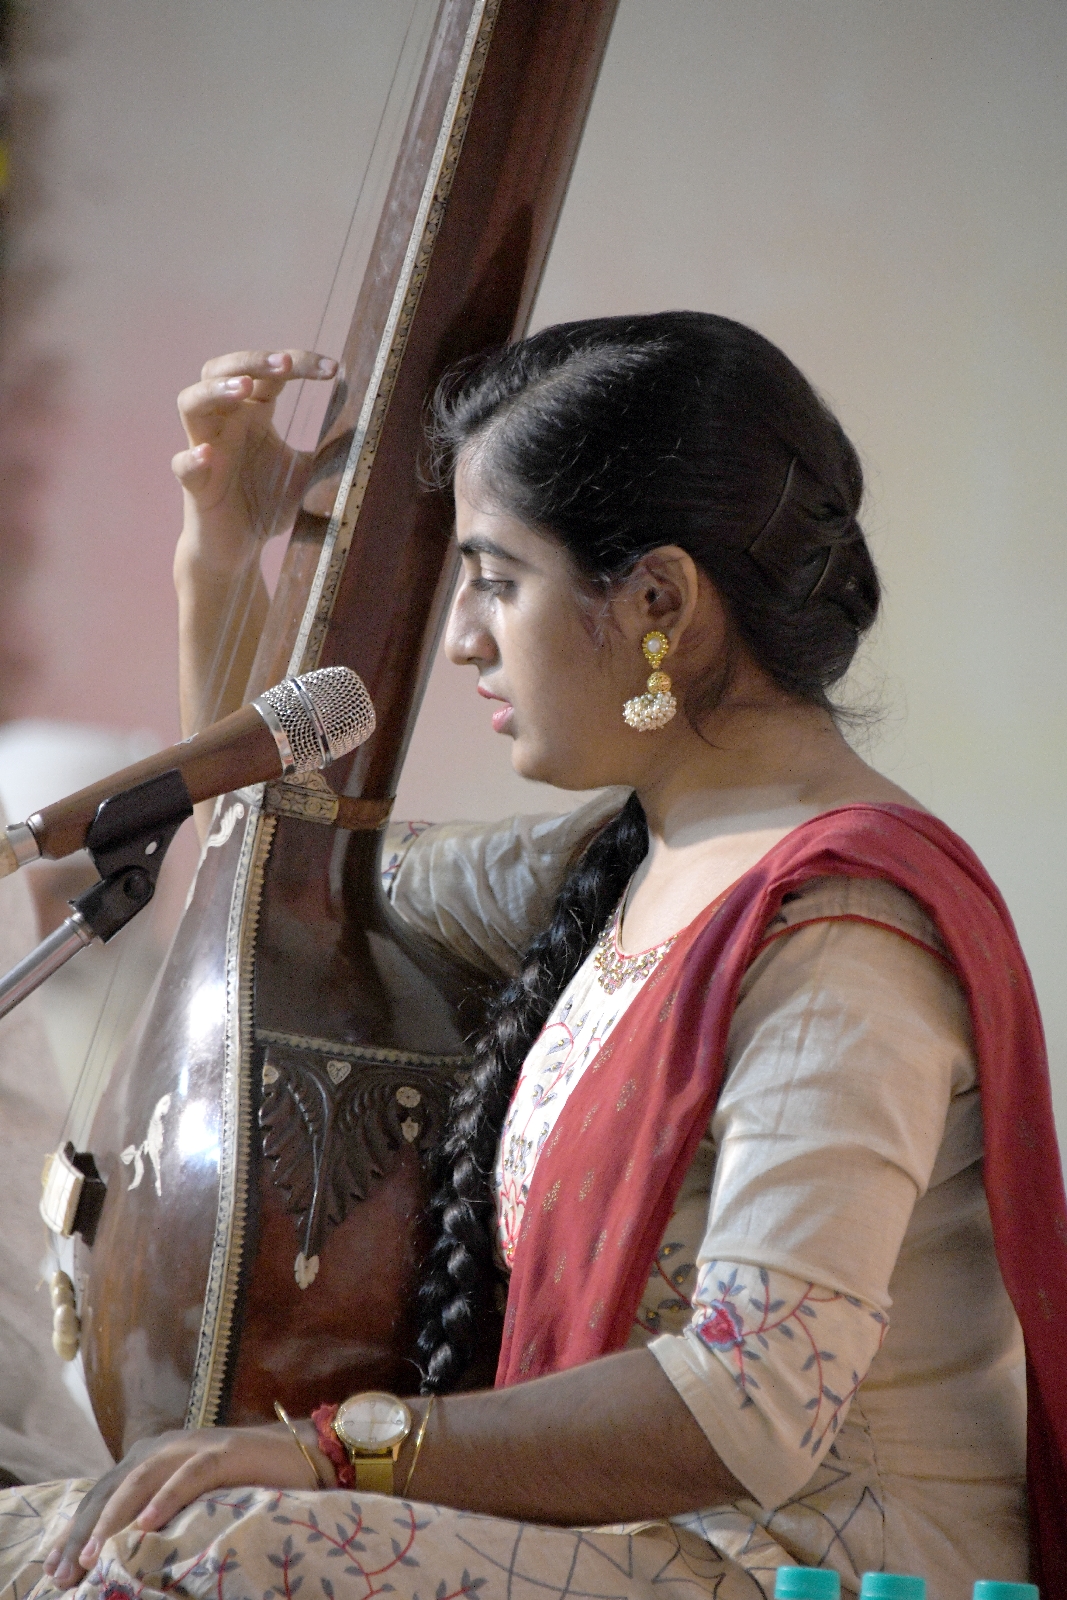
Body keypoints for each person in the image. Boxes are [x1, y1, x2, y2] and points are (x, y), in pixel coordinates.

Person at [1, 313, 1061, 1600]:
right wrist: (226, 559)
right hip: (646, 1546)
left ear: (659, 603)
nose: (462, 637)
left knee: (200, 1546)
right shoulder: (618, 861)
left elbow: (750, 1397)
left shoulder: (843, 931)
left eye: (496, 581)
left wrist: (333, 1453)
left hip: (819, 1566)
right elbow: (270, 877)